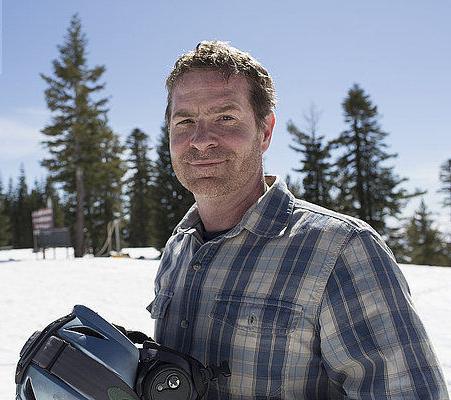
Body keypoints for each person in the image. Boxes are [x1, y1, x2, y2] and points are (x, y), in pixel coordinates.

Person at [148, 41, 449, 399]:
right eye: (185, 121)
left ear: (265, 131)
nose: (200, 141)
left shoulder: (341, 249)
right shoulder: (180, 246)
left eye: (225, 117)